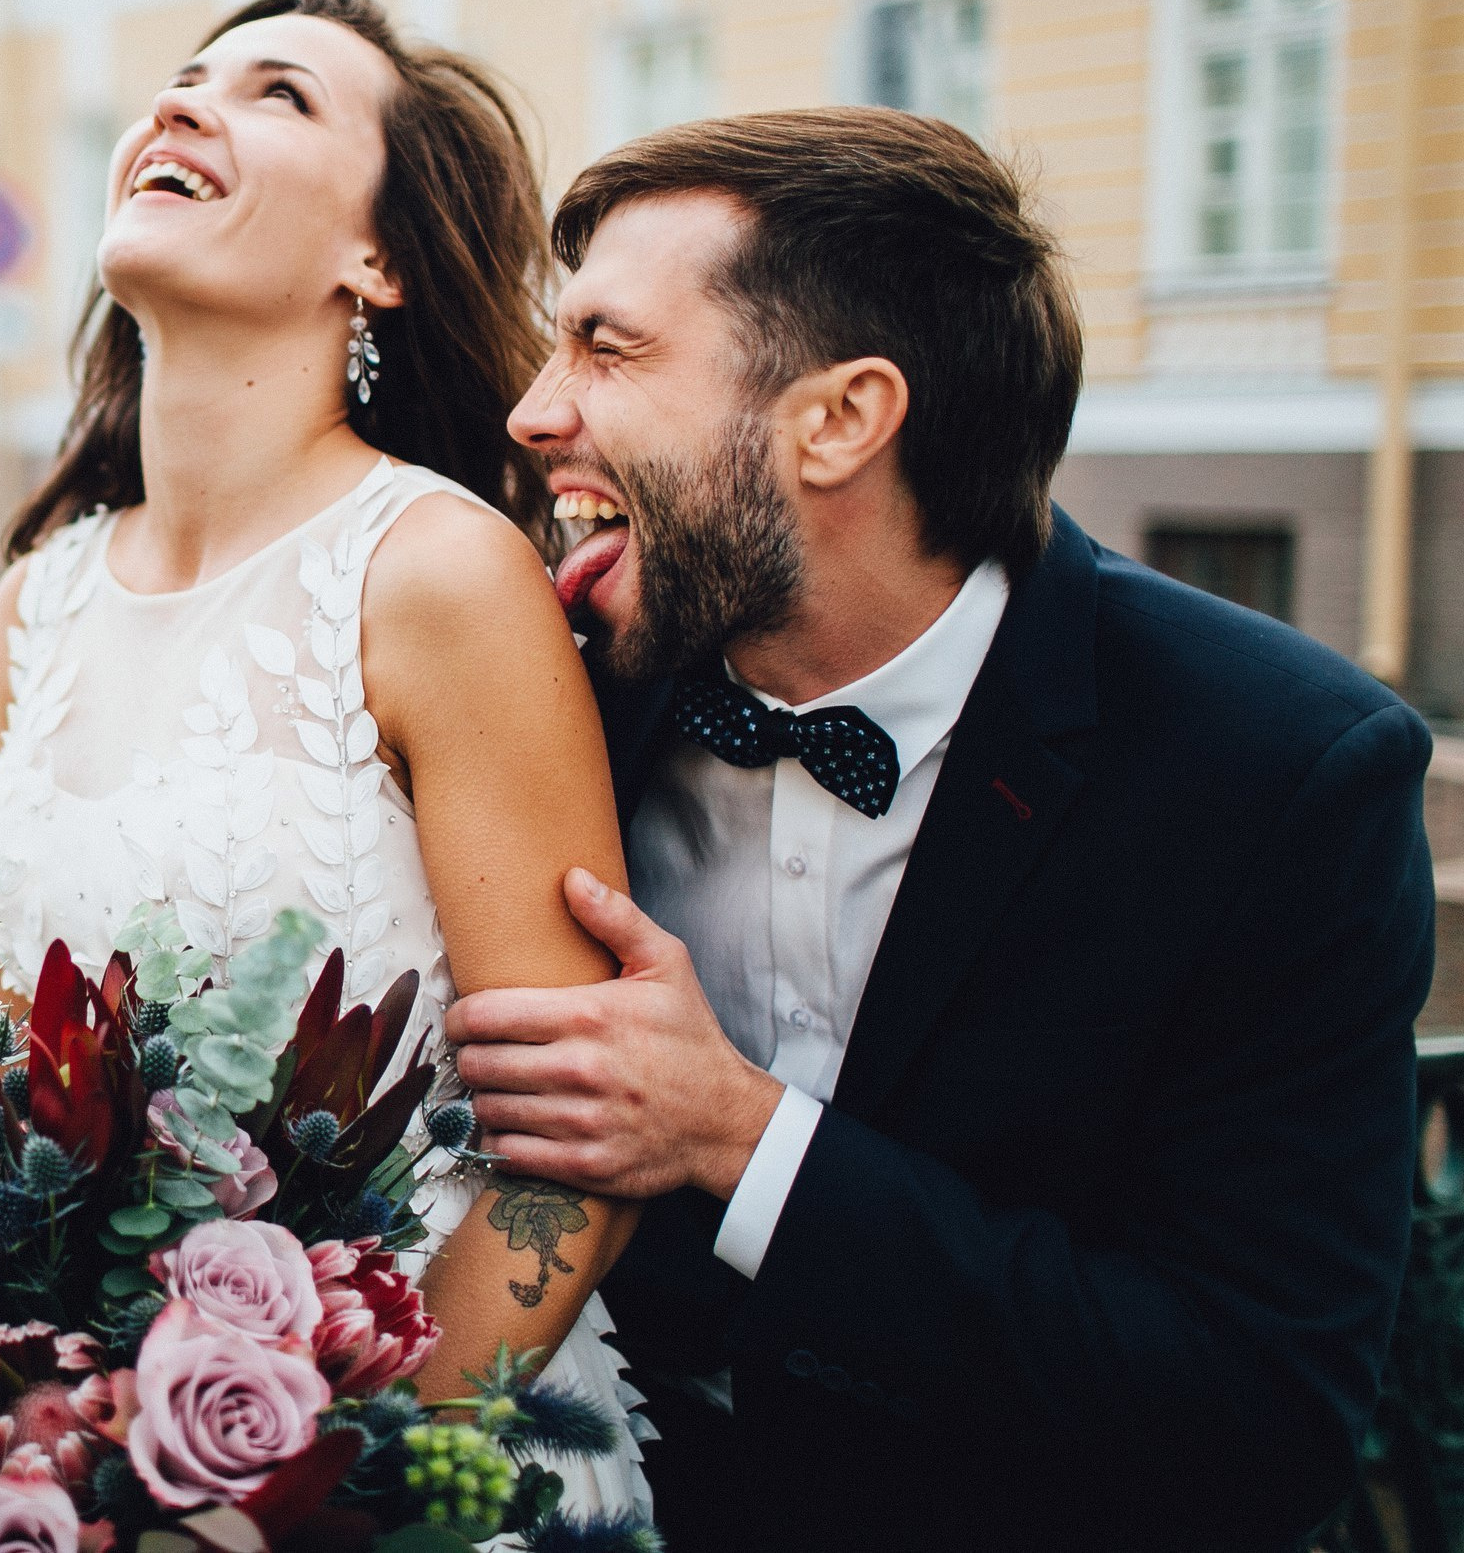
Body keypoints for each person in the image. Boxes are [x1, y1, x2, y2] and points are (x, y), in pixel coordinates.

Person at [446, 107, 1439, 1551]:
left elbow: (1258, 1414)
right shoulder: (564, 694)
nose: (537, 412)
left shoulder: (1277, 776)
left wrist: (743, 1140)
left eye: (607, 349)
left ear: (841, 419)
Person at [0, 0, 652, 1515]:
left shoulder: (436, 575)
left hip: (400, 1470)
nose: (182, 107)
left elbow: (574, 1157)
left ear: (377, 260)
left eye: (277, 95)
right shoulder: (36, 602)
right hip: (71, 1471)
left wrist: (325, 1499)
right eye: (183, 83)